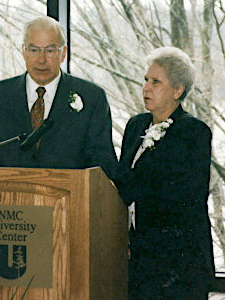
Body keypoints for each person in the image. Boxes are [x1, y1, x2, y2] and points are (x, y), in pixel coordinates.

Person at [0, 16, 118, 180]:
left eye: (50, 51)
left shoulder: (91, 98)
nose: (41, 60)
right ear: (23, 51)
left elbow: (104, 166)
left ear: (63, 53)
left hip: (70, 201)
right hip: (11, 202)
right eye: (34, 50)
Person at [115, 47, 215, 299]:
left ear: (178, 90)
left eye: (156, 82)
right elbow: (122, 180)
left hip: (179, 263)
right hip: (139, 259)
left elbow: (186, 196)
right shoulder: (136, 125)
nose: (146, 88)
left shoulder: (193, 132)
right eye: (145, 80)